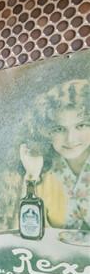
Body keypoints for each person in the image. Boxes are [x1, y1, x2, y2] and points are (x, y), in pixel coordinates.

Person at [28, 78, 90, 231]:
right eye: (59, 129)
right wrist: (32, 175)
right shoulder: (41, 170)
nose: (71, 139)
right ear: (47, 132)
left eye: (81, 125)